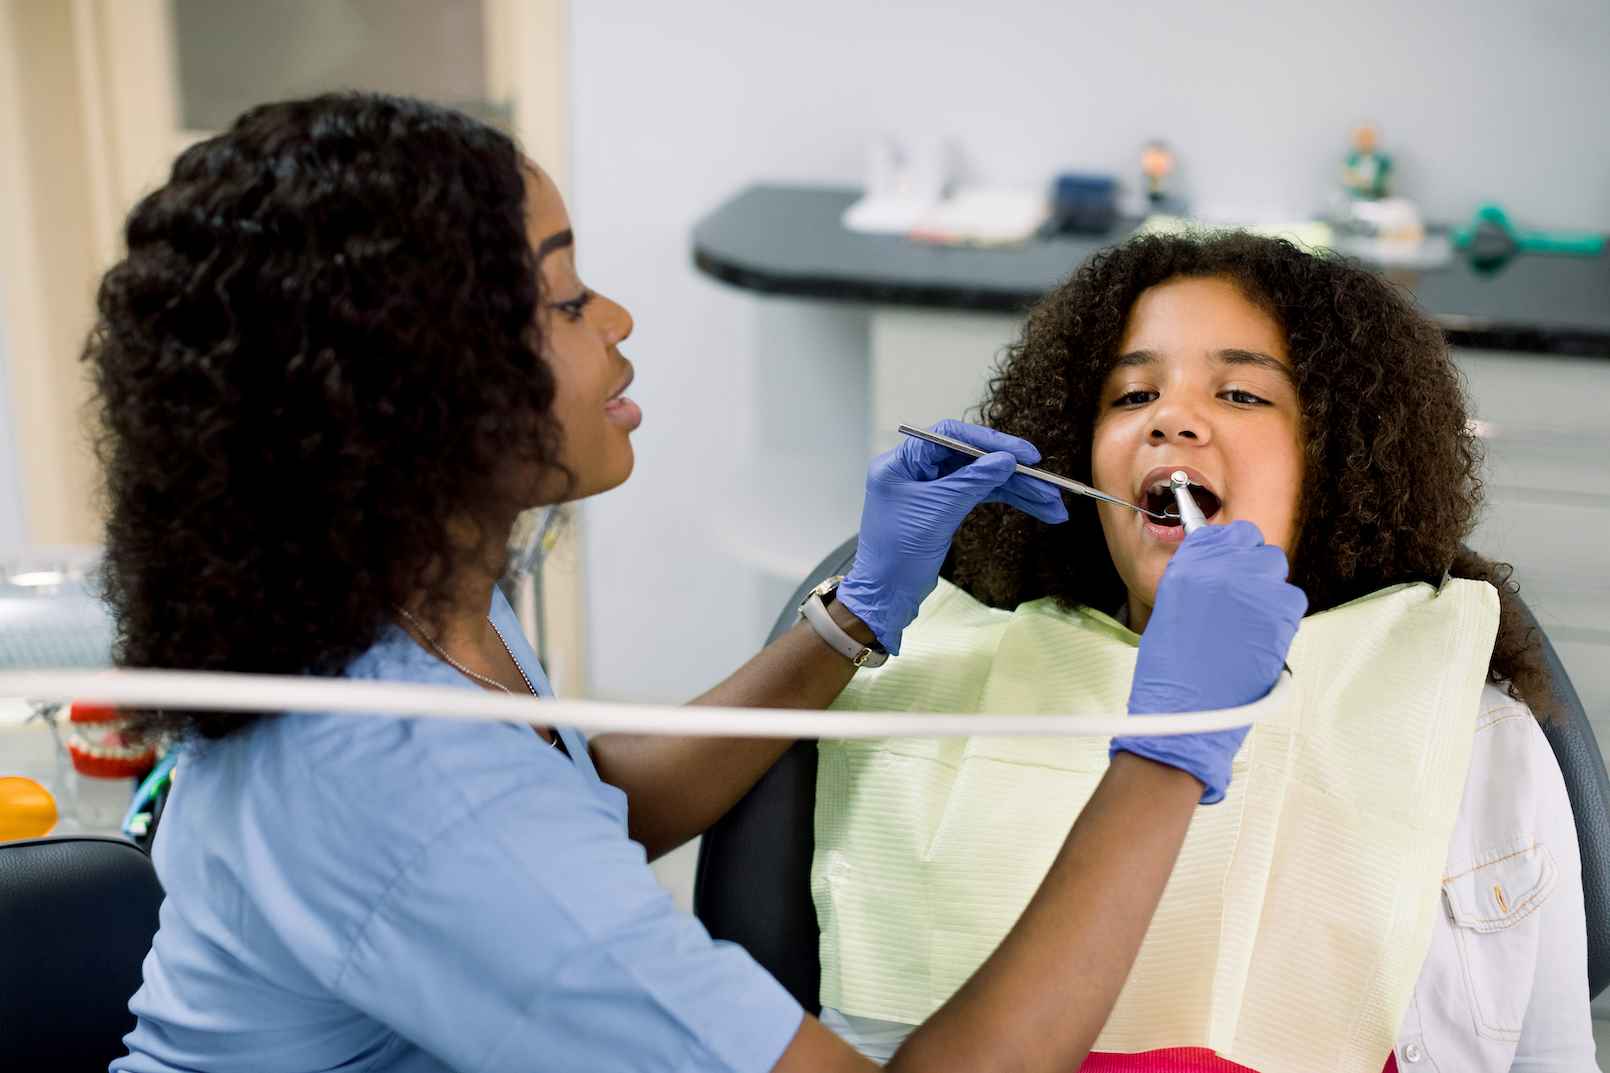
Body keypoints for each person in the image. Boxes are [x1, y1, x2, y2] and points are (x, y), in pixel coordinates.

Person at [90, 93, 1303, 1073]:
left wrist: (852, 614)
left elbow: (576, 800)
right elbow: (491, 834)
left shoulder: (402, 592)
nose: (614, 317)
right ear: (421, 397)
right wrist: (1165, 751)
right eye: (563, 297)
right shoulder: (409, 792)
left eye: (1239, 393)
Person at [817, 231, 1597, 1071]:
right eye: (1131, 394)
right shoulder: (941, 691)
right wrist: (849, 619)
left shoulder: (1462, 726)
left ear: (1337, 460)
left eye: (1240, 393)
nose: (1171, 416)